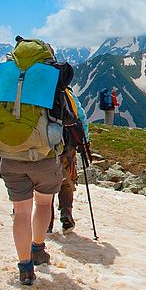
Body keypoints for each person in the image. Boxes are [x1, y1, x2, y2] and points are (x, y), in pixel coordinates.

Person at [0, 36, 71, 286]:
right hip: (43, 155)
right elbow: (65, 116)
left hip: (9, 156)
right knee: (43, 204)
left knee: (20, 211)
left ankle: (24, 267)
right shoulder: (50, 79)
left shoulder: (8, 76)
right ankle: (38, 248)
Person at [49, 80, 89, 234]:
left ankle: (46, 222)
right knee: (66, 181)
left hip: (44, 144)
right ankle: (66, 212)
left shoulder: (39, 92)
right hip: (67, 145)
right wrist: (85, 141)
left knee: (45, 183)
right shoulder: (67, 93)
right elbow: (81, 116)